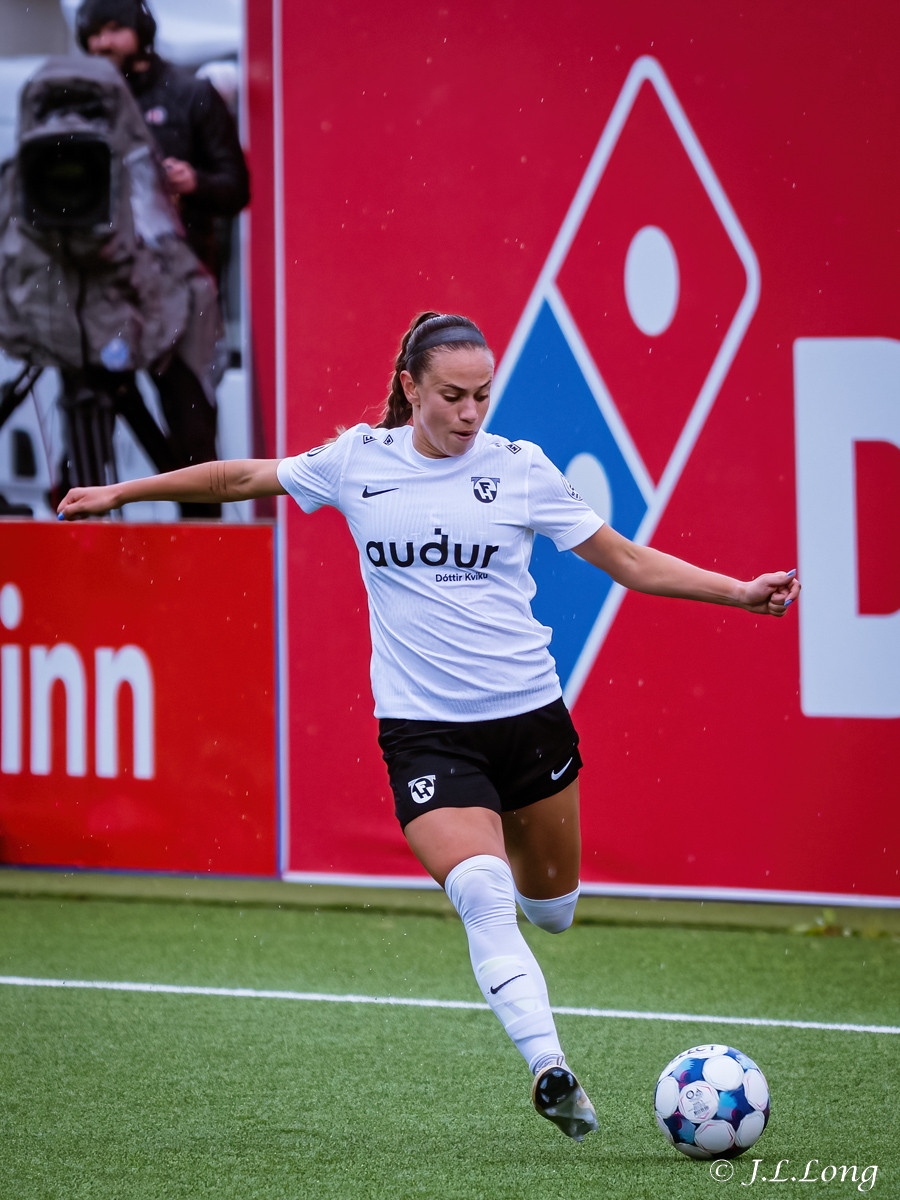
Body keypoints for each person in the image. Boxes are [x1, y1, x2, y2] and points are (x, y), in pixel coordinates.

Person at [57, 312, 801, 1142]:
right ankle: (550, 1068)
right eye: (452, 395)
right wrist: (123, 492)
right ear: (411, 388)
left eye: (482, 394)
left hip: (530, 723)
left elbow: (626, 560)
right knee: (483, 893)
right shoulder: (357, 462)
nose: (470, 412)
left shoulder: (520, 468)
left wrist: (739, 593)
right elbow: (240, 478)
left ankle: (538, 946)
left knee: (552, 911)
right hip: (426, 733)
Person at [75, 0, 251, 517]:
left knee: (192, 432)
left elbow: (237, 187)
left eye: (113, 29)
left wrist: (193, 182)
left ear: (141, 31)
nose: (101, 44)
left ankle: (201, 542)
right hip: (102, 294)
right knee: (87, 421)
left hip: (182, 297)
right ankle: (84, 542)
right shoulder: (80, 103)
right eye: (92, 34)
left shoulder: (191, 93)